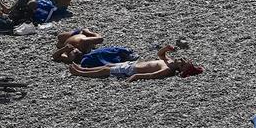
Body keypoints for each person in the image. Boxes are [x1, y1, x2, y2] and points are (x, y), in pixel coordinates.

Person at [68, 44, 202, 80]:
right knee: (107, 65)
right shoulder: (169, 61)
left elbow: (152, 75)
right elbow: (160, 54)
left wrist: (135, 77)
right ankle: (83, 69)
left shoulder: (168, 69)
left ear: (181, 69)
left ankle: (81, 73)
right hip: (132, 65)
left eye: (183, 63)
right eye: (183, 59)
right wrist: (166, 49)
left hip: (131, 70)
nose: (181, 60)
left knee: (105, 70)